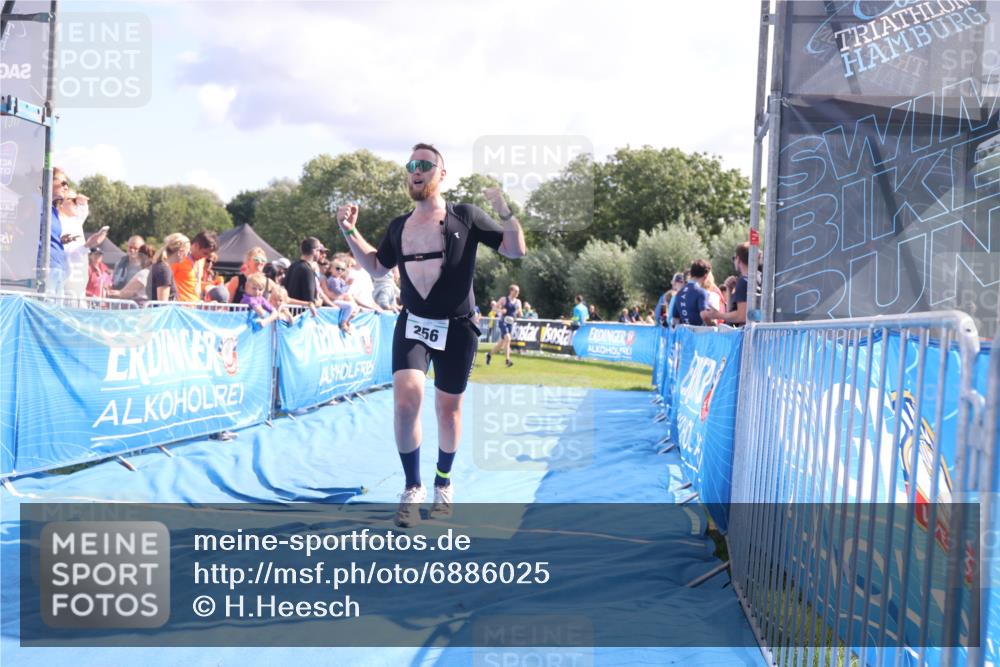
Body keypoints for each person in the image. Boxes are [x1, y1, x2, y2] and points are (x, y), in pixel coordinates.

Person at [335, 142, 526, 527]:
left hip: (458, 327)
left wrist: (504, 208)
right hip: (414, 323)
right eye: (411, 165)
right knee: (406, 400)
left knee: (448, 409)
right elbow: (375, 267)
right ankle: (412, 487)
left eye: (424, 164)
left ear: (441, 174)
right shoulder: (399, 226)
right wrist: (349, 230)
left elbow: (515, 250)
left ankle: (443, 484)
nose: (415, 170)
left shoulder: (466, 216)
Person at [702, 242, 749, 326]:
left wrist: (717, 315)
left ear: (738, 259)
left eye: (734, 258)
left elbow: (741, 316)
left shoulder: (743, 281)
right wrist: (729, 289)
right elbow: (731, 311)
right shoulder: (758, 277)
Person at [172, 231, 219, 302]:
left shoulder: (201, 260)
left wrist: (212, 286)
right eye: (205, 253)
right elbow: (166, 282)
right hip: (179, 308)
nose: (205, 257)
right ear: (196, 245)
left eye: (208, 254)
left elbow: (194, 282)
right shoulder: (179, 258)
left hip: (194, 307)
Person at [284, 237, 326, 315]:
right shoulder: (307, 270)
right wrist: (320, 302)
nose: (320, 254)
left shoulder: (292, 266)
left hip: (288, 314)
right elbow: (311, 301)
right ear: (314, 251)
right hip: (300, 317)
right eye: (319, 251)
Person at [486, 284, 522, 368]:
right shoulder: (504, 299)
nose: (517, 293)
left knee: (501, 344)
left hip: (510, 323)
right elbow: (494, 308)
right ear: (511, 291)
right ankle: (507, 361)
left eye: (518, 292)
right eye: (516, 291)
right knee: (508, 338)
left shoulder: (518, 302)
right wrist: (501, 310)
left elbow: (520, 312)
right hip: (503, 322)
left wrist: (519, 313)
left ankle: (489, 354)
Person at [148, 234, 189, 302]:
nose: (187, 256)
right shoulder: (164, 270)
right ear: (180, 252)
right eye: (188, 252)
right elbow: (163, 304)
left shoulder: (160, 266)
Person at [672, 259, 712, 326]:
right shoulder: (701, 292)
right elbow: (704, 315)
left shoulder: (679, 293)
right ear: (706, 275)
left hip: (684, 334)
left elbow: (675, 319)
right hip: (699, 334)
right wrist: (712, 326)